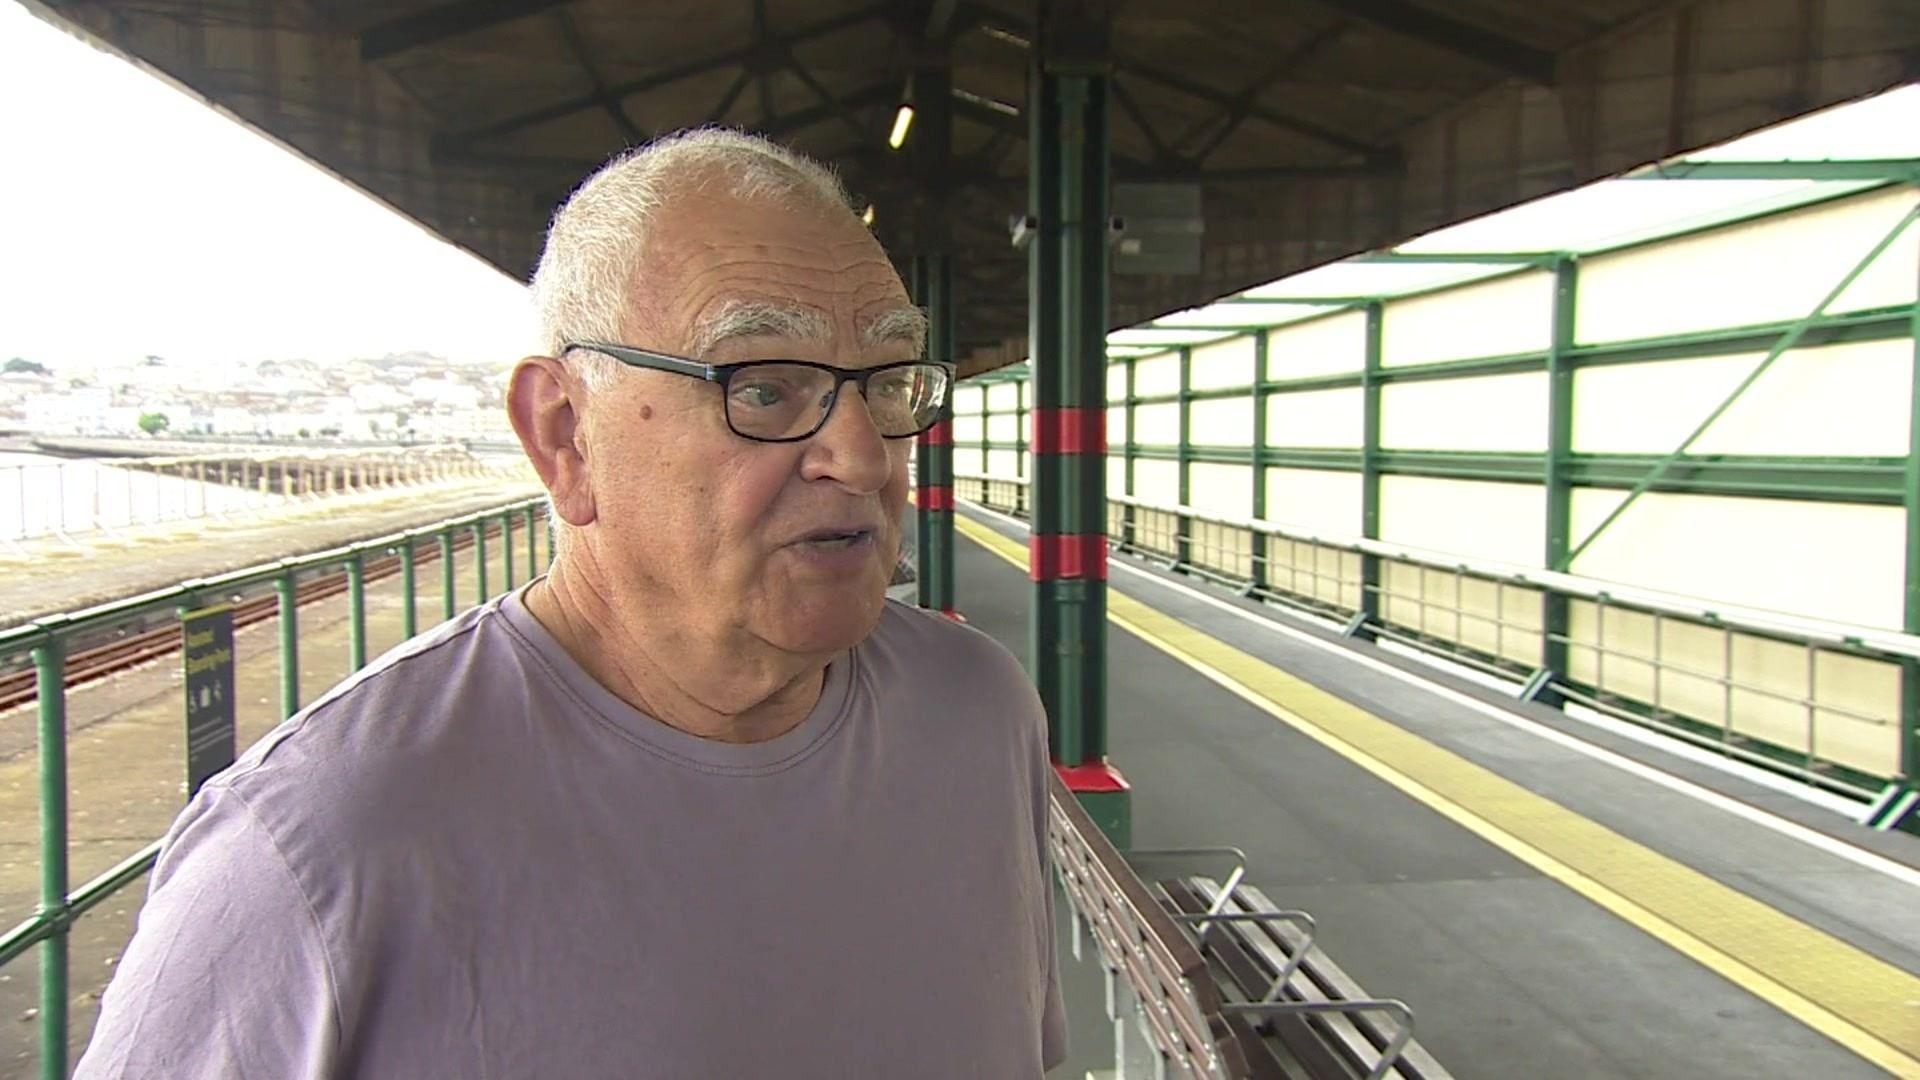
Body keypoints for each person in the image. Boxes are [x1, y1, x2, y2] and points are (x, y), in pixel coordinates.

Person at [75, 128, 1067, 1078]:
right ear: (564, 437)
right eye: (766, 389)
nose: (861, 456)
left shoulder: (978, 715)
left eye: (889, 383)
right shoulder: (316, 848)